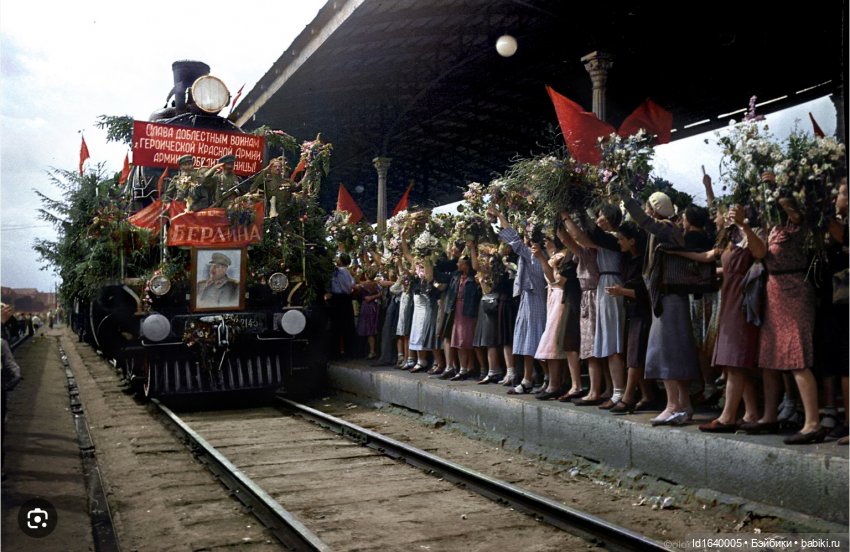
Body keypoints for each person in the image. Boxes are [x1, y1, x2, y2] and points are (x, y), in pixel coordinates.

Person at [624, 191, 699, 426]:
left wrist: (626, 197)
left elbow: (644, 221)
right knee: (673, 351)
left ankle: (673, 405)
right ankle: (683, 405)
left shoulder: (666, 227)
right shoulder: (669, 228)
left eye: (648, 208)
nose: (645, 212)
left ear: (655, 210)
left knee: (667, 351)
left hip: (668, 299)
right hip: (667, 298)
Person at [326, 252, 357, 359]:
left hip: (341, 299)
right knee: (340, 327)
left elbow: (348, 286)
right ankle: (340, 351)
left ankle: (344, 352)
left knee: (342, 327)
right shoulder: (337, 271)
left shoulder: (342, 271)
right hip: (339, 299)